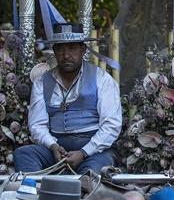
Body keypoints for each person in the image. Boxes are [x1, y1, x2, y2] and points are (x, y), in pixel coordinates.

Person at [14, 23, 121, 174]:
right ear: (54, 51)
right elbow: (37, 125)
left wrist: (84, 152)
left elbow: (112, 125)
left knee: (93, 173)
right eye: (61, 49)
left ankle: (84, 190)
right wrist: (53, 146)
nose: (66, 55)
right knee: (24, 154)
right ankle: (35, 193)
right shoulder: (41, 83)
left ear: (83, 49)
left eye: (72, 48)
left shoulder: (102, 79)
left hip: (94, 148)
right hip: (57, 148)